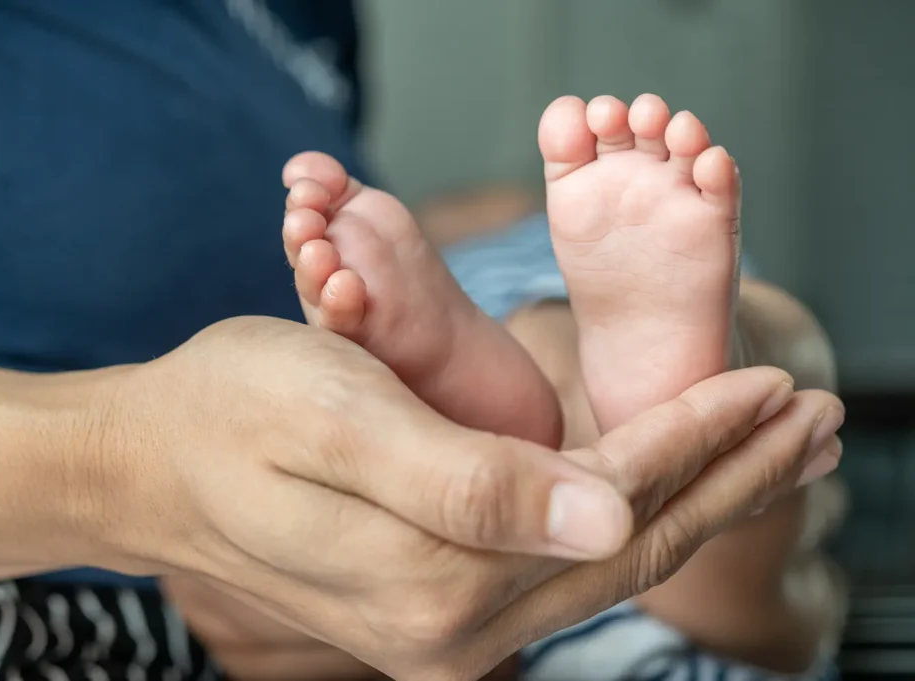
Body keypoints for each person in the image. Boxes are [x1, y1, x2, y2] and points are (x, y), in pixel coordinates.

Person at [0, 1, 843, 679]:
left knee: (697, 512)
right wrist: (128, 474)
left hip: (398, 529)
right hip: (193, 577)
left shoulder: (311, 18)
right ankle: (598, 399)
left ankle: (559, 397)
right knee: (683, 514)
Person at [240, 92, 845, 681]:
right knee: (775, 396)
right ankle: (658, 409)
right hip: (695, 627)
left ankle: (494, 412)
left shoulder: (491, 247)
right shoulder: (642, 214)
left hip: (463, 599)